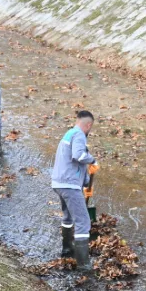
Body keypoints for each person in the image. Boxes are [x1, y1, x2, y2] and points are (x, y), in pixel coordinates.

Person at [51, 110, 99, 270]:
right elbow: (79, 156)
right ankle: (83, 265)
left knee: (68, 217)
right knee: (83, 222)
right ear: (89, 125)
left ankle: (67, 249)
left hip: (59, 183)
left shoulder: (69, 134)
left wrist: (86, 183)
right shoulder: (79, 135)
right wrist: (93, 160)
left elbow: (74, 164)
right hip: (69, 185)